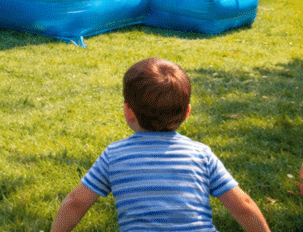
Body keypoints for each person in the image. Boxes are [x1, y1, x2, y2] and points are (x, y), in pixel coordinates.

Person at [51, 57, 270, 232]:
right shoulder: (201, 155)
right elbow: (243, 206)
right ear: (187, 113)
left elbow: (76, 202)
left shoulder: (114, 155)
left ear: (128, 111)